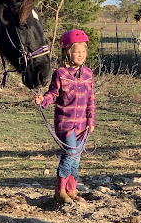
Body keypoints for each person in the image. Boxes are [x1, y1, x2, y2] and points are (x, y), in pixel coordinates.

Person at [35, 29, 96, 203]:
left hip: (82, 125)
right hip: (66, 124)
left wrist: (91, 120)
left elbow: (91, 99)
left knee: (76, 158)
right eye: (78, 51)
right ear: (68, 52)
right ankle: (59, 190)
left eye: (84, 51)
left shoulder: (88, 75)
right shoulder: (60, 74)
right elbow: (53, 94)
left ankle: (71, 190)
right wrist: (43, 100)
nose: (81, 55)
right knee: (70, 154)